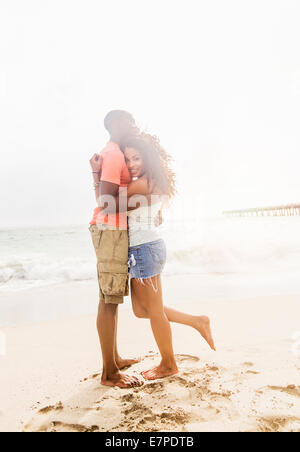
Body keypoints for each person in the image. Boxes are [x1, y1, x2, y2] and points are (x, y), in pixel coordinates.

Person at [99, 133, 216, 381]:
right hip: (144, 249)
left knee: (153, 311)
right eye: (127, 159)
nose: (131, 164)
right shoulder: (151, 182)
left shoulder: (142, 183)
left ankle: (169, 364)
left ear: (148, 159)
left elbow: (107, 204)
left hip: (144, 250)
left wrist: (95, 173)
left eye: (136, 158)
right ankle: (197, 321)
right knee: (142, 311)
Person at [89, 110, 143, 389]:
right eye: (129, 121)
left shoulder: (112, 154)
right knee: (109, 300)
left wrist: (94, 173)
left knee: (111, 297)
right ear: (116, 125)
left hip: (111, 230)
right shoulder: (114, 154)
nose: (133, 126)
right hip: (110, 230)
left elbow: (101, 195)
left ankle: (115, 358)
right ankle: (109, 373)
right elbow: (107, 201)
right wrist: (140, 203)